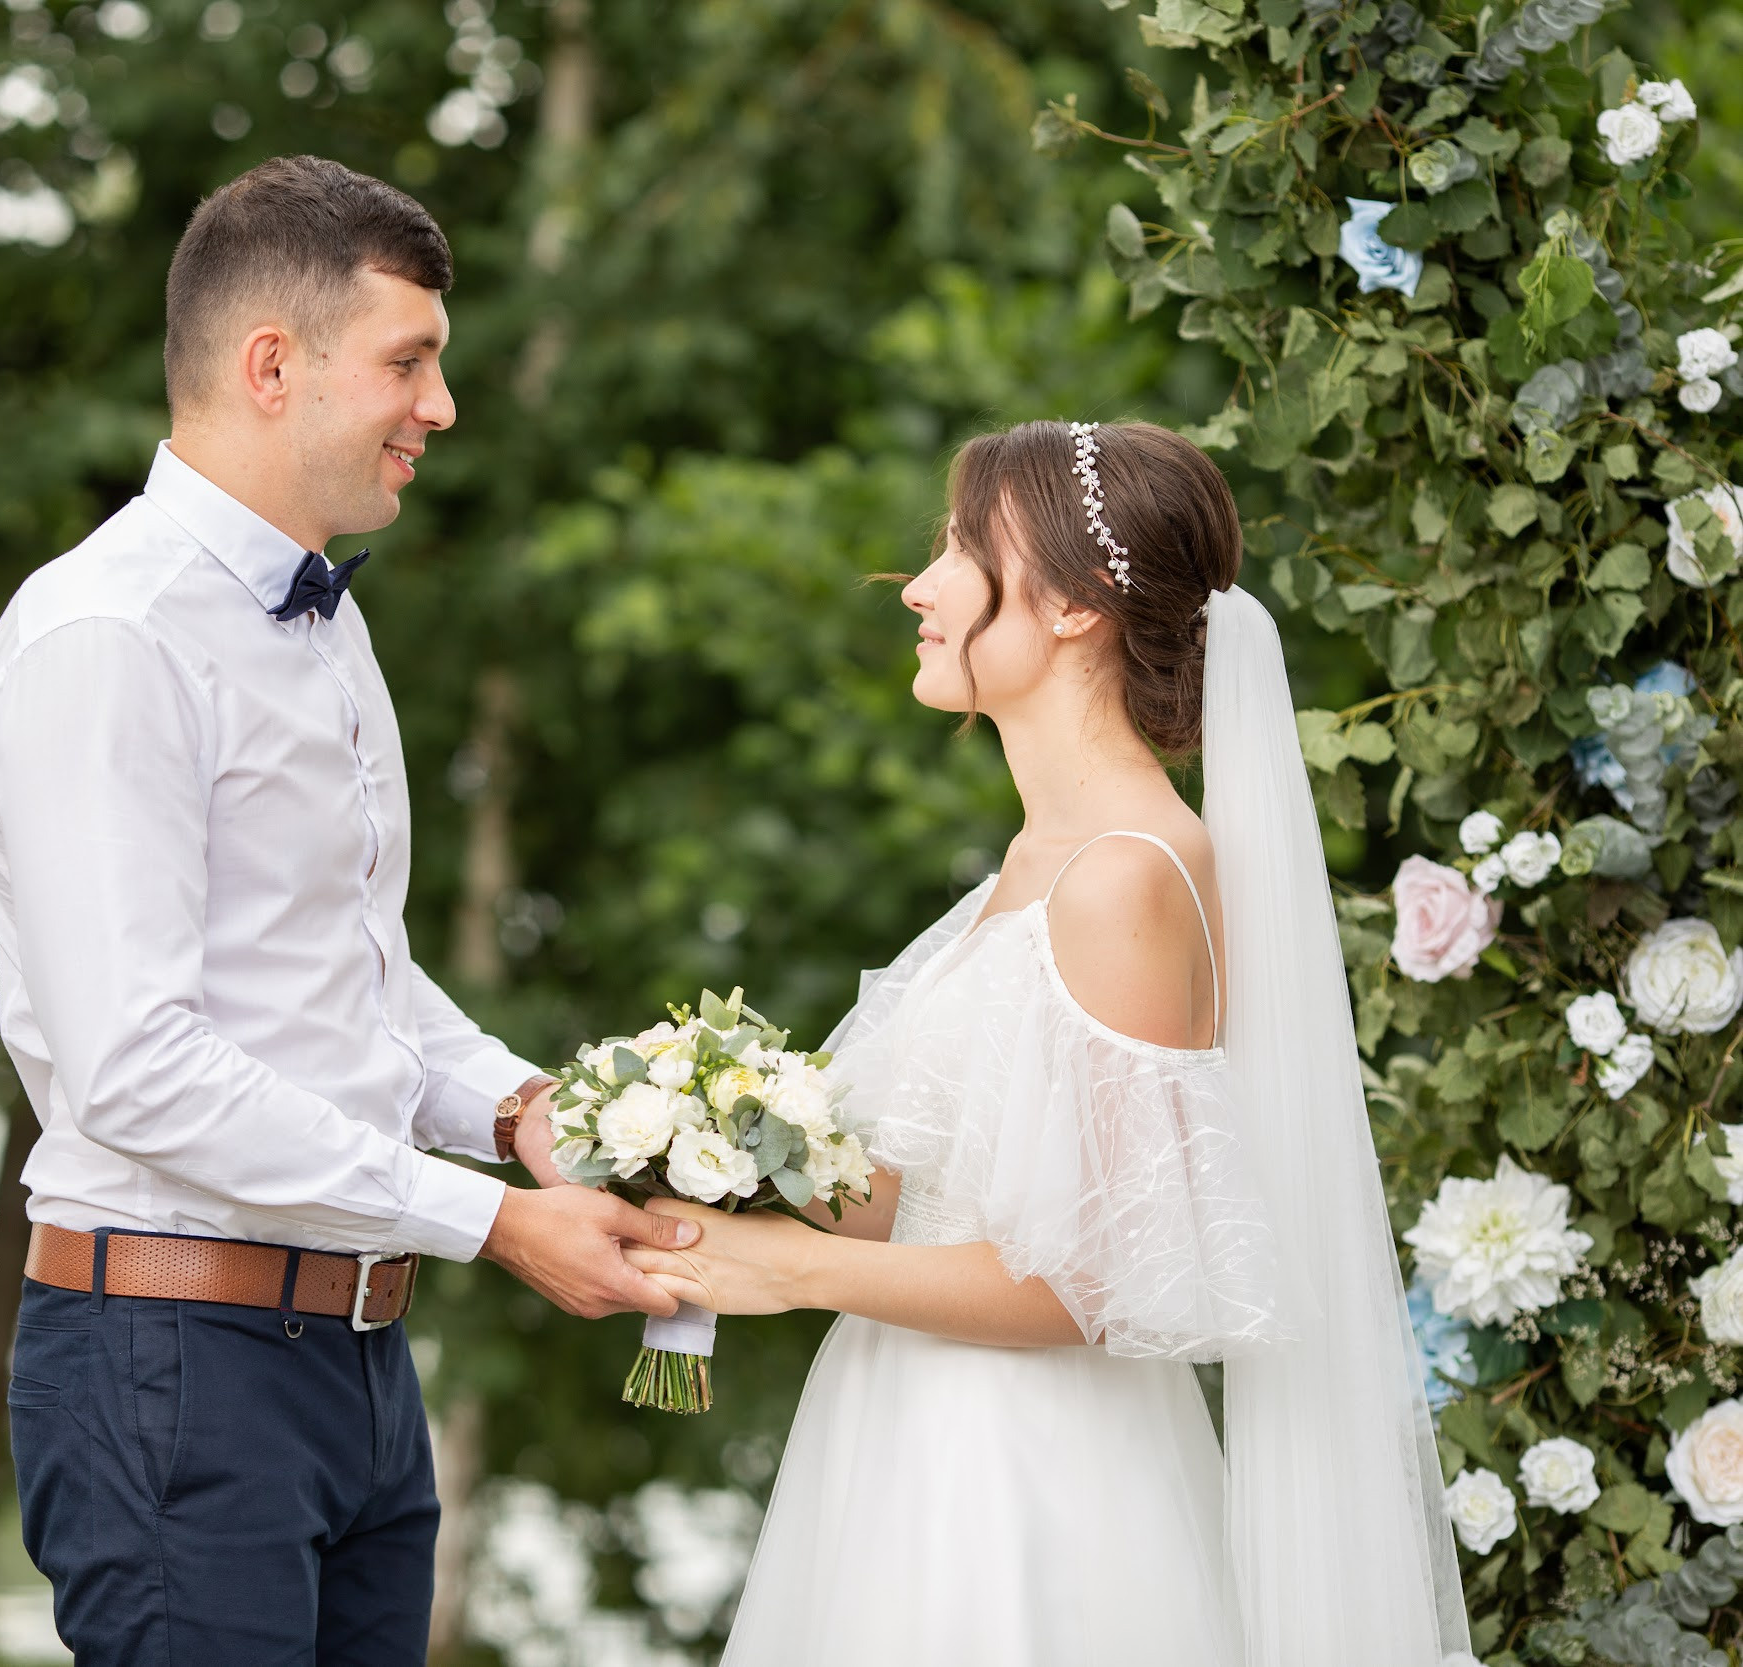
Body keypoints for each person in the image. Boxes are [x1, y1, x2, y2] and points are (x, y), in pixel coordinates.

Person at [0, 156, 694, 1665]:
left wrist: (523, 1112)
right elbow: (136, 1063)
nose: (440, 407)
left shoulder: (319, 619)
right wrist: (494, 1222)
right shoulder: (111, 636)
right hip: (173, 1350)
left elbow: (357, 980)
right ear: (273, 366)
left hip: (353, 1355)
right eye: (409, 362)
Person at [626, 420, 1472, 1664]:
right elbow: (943, 1203)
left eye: (962, 546)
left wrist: (788, 1271)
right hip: (902, 1440)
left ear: (1076, 605)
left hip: (1029, 1479)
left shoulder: (1127, 877)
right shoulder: (1034, 864)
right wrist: (704, 1148)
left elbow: (1098, 1278)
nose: (918, 585)